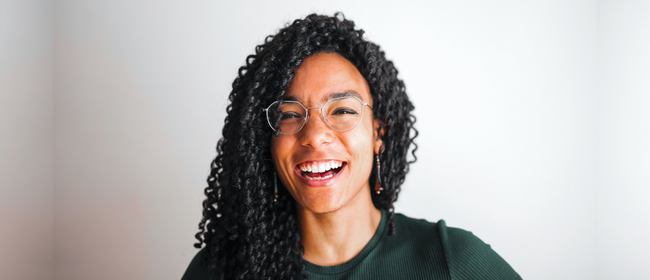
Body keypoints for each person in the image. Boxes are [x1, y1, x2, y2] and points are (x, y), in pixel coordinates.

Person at [182, 13, 521, 280]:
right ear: (265, 141)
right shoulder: (219, 271)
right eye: (289, 114)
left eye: (342, 110)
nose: (315, 135)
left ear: (379, 133)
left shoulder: (452, 261)